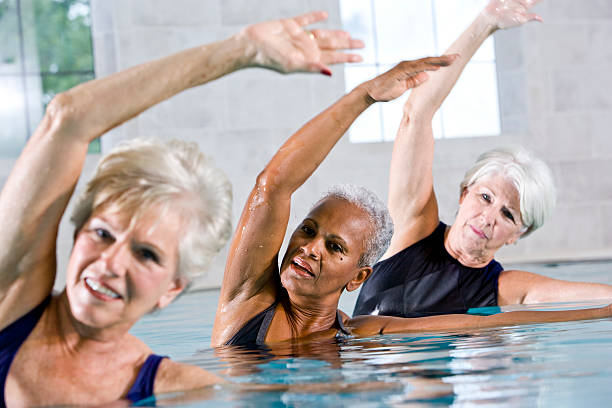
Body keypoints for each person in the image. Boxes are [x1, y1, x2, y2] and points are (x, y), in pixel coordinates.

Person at [0, 11, 365, 406]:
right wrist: (240, 51)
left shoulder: (180, 389)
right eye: (103, 233)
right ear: (76, 233)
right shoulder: (11, 302)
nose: (110, 262)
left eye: (146, 254)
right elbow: (67, 119)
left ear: (171, 289)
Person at [210, 54, 612, 347]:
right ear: (464, 193)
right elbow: (273, 185)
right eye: (308, 230)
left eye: (334, 248)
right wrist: (364, 96)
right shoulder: (247, 304)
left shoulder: (360, 333)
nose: (310, 248)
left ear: (358, 278)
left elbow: (484, 325)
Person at [353, 0, 612, 319]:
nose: (488, 217)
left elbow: (599, 296)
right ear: (464, 194)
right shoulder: (413, 226)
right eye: (485, 197)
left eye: (508, 214)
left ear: (519, 234)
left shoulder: (506, 287)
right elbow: (416, 114)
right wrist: (484, 24)